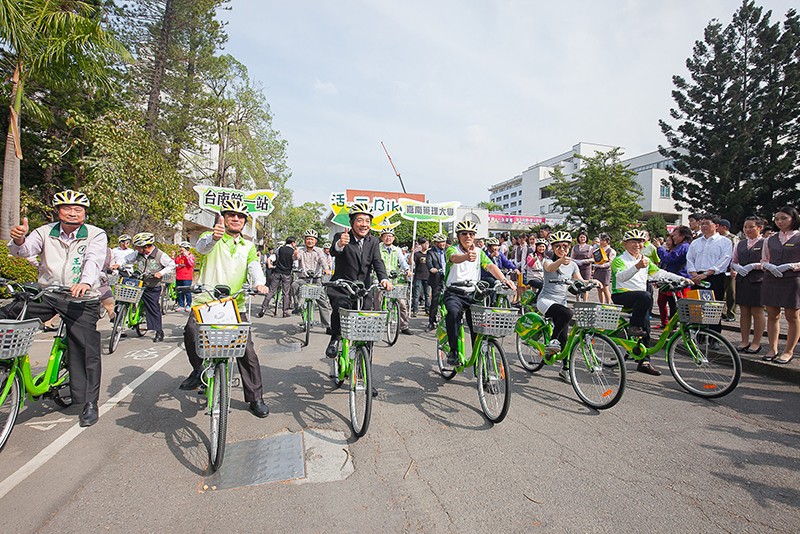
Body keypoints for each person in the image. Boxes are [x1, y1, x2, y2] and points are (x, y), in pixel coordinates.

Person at [4, 190, 107, 426]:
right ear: (57, 211)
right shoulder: (44, 232)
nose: (72, 213)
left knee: (85, 348)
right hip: (49, 293)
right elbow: (24, 251)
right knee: (10, 313)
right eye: (66, 208)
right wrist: (19, 240)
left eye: (78, 209)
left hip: (81, 297)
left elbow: (93, 259)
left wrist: (85, 282)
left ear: (84, 213)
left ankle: (90, 403)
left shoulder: (95, 234)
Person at [178, 199, 270, 417]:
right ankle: (198, 370)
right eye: (231, 215)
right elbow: (201, 248)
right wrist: (214, 237)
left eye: (240, 216)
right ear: (223, 218)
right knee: (191, 334)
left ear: (244, 222)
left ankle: (255, 398)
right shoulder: (209, 238)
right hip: (206, 302)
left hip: (235, 304)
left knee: (247, 352)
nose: (236, 219)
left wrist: (259, 283)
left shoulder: (248, 246)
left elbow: (254, 267)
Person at [611, 229, 690, 376]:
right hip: (622, 295)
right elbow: (621, 277)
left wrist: (681, 279)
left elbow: (660, 273)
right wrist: (637, 267)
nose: (637, 245)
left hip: (640, 299)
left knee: (646, 324)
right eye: (633, 241)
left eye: (640, 241)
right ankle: (633, 327)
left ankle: (644, 361)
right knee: (646, 297)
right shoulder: (619, 259)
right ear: (625, 244)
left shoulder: (645, 260)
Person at [442, 220, 516, 366]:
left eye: (471, 234)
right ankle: (453, 351)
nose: (468, 236)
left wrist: (503, 279)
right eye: (464, 234)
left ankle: (481, 365)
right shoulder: (452, 250)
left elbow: (489, 266)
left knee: (480, 326)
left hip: (473, 294)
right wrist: (465, 257)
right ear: (458, 236)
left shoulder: (479, 252)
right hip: (454, 293)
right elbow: (453, 259)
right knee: (453, 314)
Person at [325, 203, 392, 360]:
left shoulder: (373, 242)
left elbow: (378, 262)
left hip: (363, 289)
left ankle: (364, 360)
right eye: (360, 220)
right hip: (342, 287)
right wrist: (341, 244)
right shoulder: (341, 237)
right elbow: (335, 251)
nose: (364, 224)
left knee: (367, 324)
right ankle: (335, 339)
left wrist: (384, 278)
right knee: (340, 309)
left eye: (367, 221)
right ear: (352, 222)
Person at [537, 231, 600, 381]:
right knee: (567, 314)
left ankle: (565, 369)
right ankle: (552, 341)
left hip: (561, 302)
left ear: (569, 247)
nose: (562, 249)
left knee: (565, 337)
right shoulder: (547, 260)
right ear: (552, 247)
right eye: (558, 246)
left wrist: (592, 282)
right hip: (546, 300)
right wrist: (561, 261)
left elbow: (580, 280)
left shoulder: (572, 265)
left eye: (565, 246)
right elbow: (550, 268)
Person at [760, 206, 800, 364]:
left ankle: (789, 351)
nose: (780, 222)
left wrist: (792, 266)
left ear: (793, 218)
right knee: (772, 315)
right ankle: (772, 348)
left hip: (793, 278)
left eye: (784, 218)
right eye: (777, 219)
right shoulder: (770, 239)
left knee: (793, 316)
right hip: (772, 278)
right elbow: (764, 260)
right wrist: (768, 266)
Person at [686, 213, 732, 336]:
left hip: (714, 277)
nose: (704, 226)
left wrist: (706, 274)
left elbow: (724, 260)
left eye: (707, 223)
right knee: (697, 308)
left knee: (713, 308)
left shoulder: (724, 242)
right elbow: (689, 259)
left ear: (716, 225)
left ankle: (714, 337)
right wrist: (694, 274)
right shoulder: (696, 242)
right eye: (702, 223)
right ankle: (698, 335)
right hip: (697, 277)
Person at [130, 232, 175, 342]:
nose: (136, 249)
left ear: (145, 246)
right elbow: (127, 259)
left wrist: (161, 273)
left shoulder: (160, 255)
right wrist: (118, 264)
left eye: (138, 247)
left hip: (153, 285)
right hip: (139, 282)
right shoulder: (138, 254)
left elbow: (171, 265)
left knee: (153, 307)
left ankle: (158, 331)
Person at [730, 216, 765, 354]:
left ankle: (756, 342)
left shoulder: (765, 243)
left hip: (758, 280)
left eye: (751, 227)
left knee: (757, 311)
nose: (747, 230)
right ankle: (744, 340)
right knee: (744, 312)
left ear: (759, 228)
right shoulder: (741, 244)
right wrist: (737, 267)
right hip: (743, 280)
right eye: (745, 227)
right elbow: (733, 260)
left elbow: (767, 261)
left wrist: (754, 266)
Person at [292, 229, 332, 330]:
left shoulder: (319, 251)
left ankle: (327, 325)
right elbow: (296, 258)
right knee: (294, 285)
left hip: (316, 279)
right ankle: (297, 306)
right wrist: (295, 254)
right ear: (305, 240)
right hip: (303, 278)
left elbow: (322, 260)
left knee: (323, 302)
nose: (310, 241)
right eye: (308, 239)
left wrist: (326, 269)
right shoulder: (300, 250)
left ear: (315, 241)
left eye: (312, 239)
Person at [375, 228, 412, 335]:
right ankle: (378, 323)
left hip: (394, 280)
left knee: (402, 303)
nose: (388, 238)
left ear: (393, 238)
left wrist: (407, 270)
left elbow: (402, 261)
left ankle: (404, 326)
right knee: (378, 300)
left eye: (390, 236)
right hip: (380, 279)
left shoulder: (397, 250)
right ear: (381, 237)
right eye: (385, 236)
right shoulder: (377, 248)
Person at [655, 226, 692, 328]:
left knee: (677, 306)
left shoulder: (683, 247)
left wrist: (659, 248)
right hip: (676, 278)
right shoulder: (682, 246)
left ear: (683, 236)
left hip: (679, 279)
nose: (673, 238)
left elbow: (669, 259)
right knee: (673, 304)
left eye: (675, 235)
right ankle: (671, 327)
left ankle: (676, 328)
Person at [258, 236, 296, 317]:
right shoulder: (293, 251)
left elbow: (273, 258)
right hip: (287, 274)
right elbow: (295, 261)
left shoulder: (280, 249)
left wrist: (270, 265)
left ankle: (263, 308)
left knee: (271, 291)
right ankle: (285, 311)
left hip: (277, 272)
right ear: (293, 243)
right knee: (286, 293)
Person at [718, 218, 739, 321]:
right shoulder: (718, 238)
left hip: (729, 268)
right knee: (721, 291)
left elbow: (735, 254)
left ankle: (731, 314)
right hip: (720, 268)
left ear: (724, 227)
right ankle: (721, 313)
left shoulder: (733, 238)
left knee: (731, 292)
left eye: (719, 226)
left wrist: (733, 268)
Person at [426, 232, 448, 331]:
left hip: (448, 278)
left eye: (444, 241)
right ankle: (431, 321)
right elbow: (428, 262)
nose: (443, 244)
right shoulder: (431, 252)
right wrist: (431, 268)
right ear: (436, 243)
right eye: (440, 242)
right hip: (437, 278)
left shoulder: (448, 251)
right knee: (435, 300)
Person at [592, 232, 616, 304]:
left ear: (607, 241)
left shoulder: (611, 251)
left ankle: (608, 303)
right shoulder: (598, 249)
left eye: (603, 240)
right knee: (599, 288)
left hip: (606, 270)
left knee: (605, 288)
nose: (601, 242)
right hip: (598, 269)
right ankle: (601, 303)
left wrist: (603, 265)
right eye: (600, 240)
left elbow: (611, 262)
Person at [570, 230, 593, 302]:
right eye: (581, 237)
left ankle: (585, 301)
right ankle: (578, 301)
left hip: (586, 268)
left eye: (584, 237)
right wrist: (575, 261)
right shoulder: (575, 247)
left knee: (586, 285)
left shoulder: (590, 247)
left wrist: (583, 261)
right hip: (576, 267)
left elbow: (593, 259)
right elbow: (571, 257)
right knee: (577, 284)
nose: (582, 239)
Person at [411, 237, 430, 317]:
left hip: (428, 277)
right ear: (421, 245)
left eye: (427, 243)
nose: (426, 245)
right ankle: (415, 311)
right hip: (418, 276)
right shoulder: (417, 254)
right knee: (416, 295)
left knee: (427, 295)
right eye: (425, 243)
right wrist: (412, 252)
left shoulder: (430, 254)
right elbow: (410, 262)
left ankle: (428, 310)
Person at [174, 241, 195, 311]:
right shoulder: (179, 256)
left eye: (182, 247)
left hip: (187, 276)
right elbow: (174, 263)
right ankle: (181, 305)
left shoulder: (190, 255)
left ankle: (188, 304)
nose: (180, 249)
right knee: (179, 291)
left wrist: (187, 256)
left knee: (187, 291)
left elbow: (191, 263)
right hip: (178, 276)